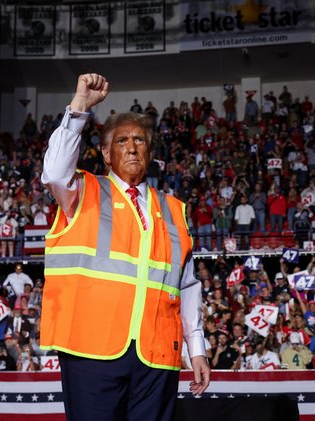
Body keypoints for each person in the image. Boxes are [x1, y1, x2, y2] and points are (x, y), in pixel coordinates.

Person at [39, 73, 210, 421]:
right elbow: (55, 173)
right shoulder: (82, 192)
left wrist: (197, 348)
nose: (132, 147)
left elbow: (187, 285)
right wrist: (79, 109)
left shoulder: (175, 209)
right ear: (105, 152)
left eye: (140, 140)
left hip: (157, 353)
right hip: (91, 349)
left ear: (149, 151)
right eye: (121, 141)